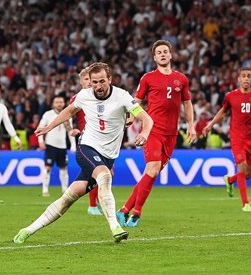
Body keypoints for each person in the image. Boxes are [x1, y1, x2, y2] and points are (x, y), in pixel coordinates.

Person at [13, 62, 153, 244]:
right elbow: (69, 111)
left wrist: (144, 132)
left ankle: (28, 230)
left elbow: (146, 118)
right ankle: (115, 227)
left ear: (109, 79)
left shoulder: (122, 97)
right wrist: (49, 126)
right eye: (94, 82)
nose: (98, 86)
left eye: (102, 81)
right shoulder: (84, 95)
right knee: (104, 176)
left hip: (108, 155)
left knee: (69, 197)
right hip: (87, 147)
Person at [117, 40, 197, 227]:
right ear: (154, 57)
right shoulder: (148, 78)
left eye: (165, 51)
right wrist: (131, 116)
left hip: (171, 134)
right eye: (159, 52)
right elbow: (136, 100)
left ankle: (124, 210)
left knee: (150, 174)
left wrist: (191, 125)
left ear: (170, 55)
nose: (162, 54)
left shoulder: (182, 79)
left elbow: (187, 103)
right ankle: (137, 212)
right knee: (152, 169)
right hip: (152, 130)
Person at [202, 67, 251, 212]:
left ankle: (229, 180)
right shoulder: (231, 96)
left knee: (248, 174)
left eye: (249, 76)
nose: (246, 78)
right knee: (241, 167)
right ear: (239, 79)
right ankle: (245, 204)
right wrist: (210, 124)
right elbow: (223, 112)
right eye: (243, 76)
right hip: (236, 137)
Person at [69, 66, 103, 215]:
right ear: (81, 82)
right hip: (88, 141)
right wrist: (71, 129)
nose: (90, 82)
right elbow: (67, 115)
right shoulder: (77, 98)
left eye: (91, 79)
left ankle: (98, 203)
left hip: (102, 139)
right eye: (86, 79)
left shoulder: (100, 96)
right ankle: (93, 205)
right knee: (100, 173)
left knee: (101, 174)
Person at [38, 94, 75, 197]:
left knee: (63, 168)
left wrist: (73, 145)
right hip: (50, 145)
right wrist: (40, 141)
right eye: (57, 102)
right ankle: (45, 190)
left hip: (62, 146)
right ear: (53, 104)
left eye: (61, 102)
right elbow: (40, 127)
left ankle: (65, 190)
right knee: (48, 167)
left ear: (64, 103)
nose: (59, 104)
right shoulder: (48, 114)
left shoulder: (67, 115)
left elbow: (70, 131)